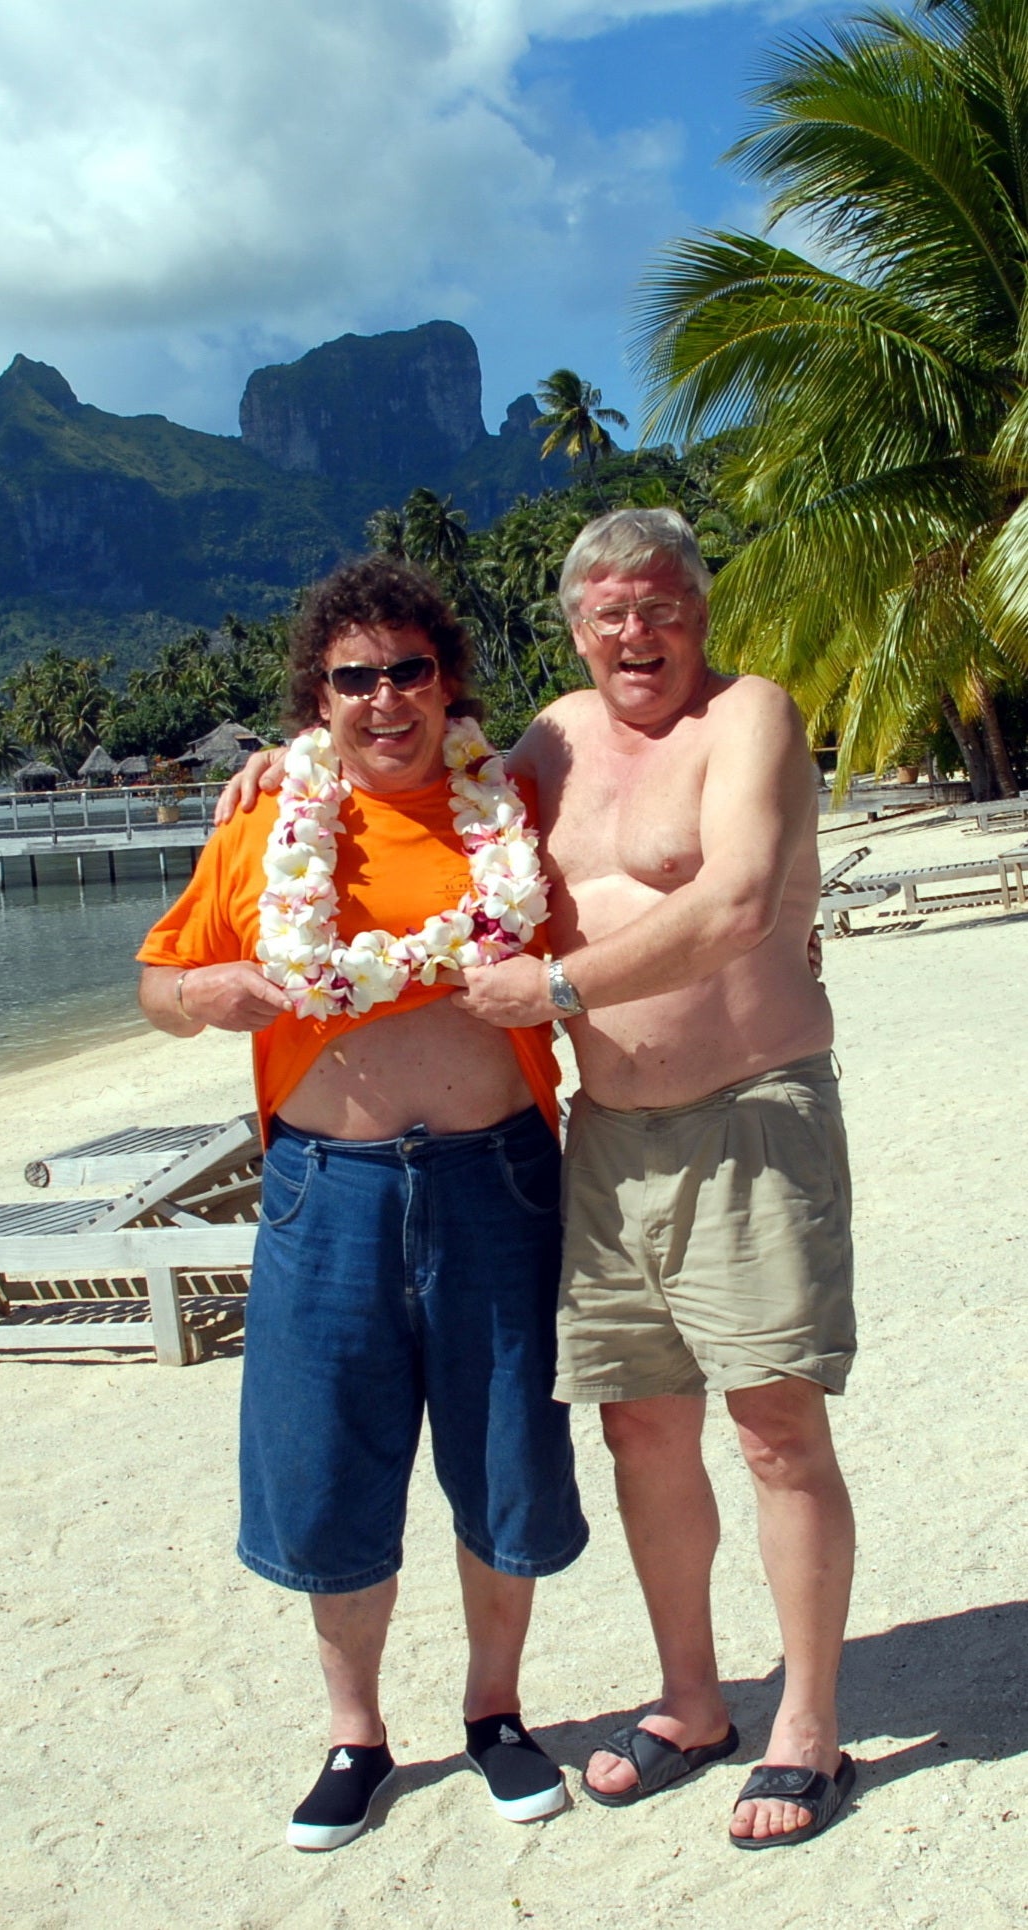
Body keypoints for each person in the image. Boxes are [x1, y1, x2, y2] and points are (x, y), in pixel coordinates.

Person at [136, 555, 587, 1853]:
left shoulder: (510, 816)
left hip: (494, 1176)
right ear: (316, 698)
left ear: (446, 685)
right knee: (327, 1463)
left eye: (407, 669)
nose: (382, 695)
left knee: (503, 1452)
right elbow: (162, 983)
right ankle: (355, 1734)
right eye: (353, 676)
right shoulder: (261, 827)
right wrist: (204, 1001)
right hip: (321, 1193)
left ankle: (495, 1714)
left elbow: (605, 920)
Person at [452, 507, 857, 1849]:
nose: (637, 632)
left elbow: (737, 899)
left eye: (661, 604)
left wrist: (553, 983)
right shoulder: (552, 742)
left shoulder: (748, 718)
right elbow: (416, 795)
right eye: (608, 611)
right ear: (571, 624)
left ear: (699, 609)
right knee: (640, 1428)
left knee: (772, 1428)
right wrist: (280, 773)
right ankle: (693, 1701)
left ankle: (807, 1724)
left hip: (748, 1112)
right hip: (607, 1136)